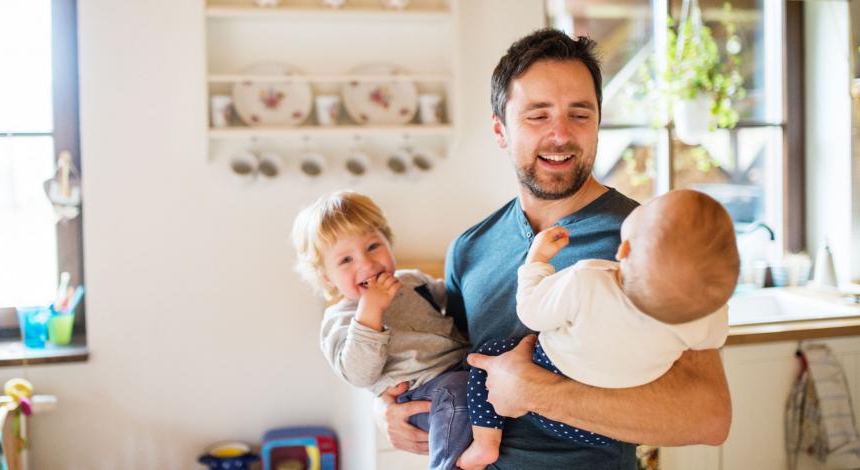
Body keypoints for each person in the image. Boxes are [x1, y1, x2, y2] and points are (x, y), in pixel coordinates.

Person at [374, 28, 732, 469]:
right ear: (500, 129)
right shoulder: (469, 249)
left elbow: (709, 416)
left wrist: (536, 391)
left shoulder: (646, 242)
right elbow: (448, 364)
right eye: (537, 115)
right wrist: (389, 410)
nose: (560, 135)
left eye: (579, 115)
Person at [460, 189, 738, 464]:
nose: (558, 140)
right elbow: (452, 350)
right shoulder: (699, 314)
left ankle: (486, 442)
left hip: (559, 386)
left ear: (624, 248)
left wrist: (536, 262)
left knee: (490, 355)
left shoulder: (591, 276)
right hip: (597, 434)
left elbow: (531, 314)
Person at [292, 190, 477, 470]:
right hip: (421, 394)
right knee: (458, 391)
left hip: (461, 371)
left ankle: (483, 448)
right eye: (346, 260)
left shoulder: (412, 281)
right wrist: (371, 311)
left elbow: (458, 299)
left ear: (388, 243)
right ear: (326, 276)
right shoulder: (339, 319)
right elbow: (359, 374)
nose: (366, 264)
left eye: (373, 246)